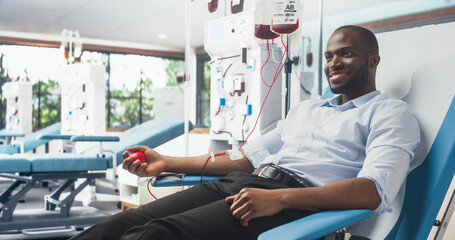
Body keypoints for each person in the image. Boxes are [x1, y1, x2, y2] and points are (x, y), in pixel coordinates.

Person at [71, 25, 420, 240]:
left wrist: (279, 199)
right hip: (247, 185)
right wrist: (165, 162)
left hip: (292, 201)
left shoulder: (389, 112)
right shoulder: (307, 109)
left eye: (346, 54)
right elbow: (245, 158)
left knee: (154, 236)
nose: (333, 63)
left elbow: (372, 191)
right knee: (117, 226)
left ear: (373, 61)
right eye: (329, 56)